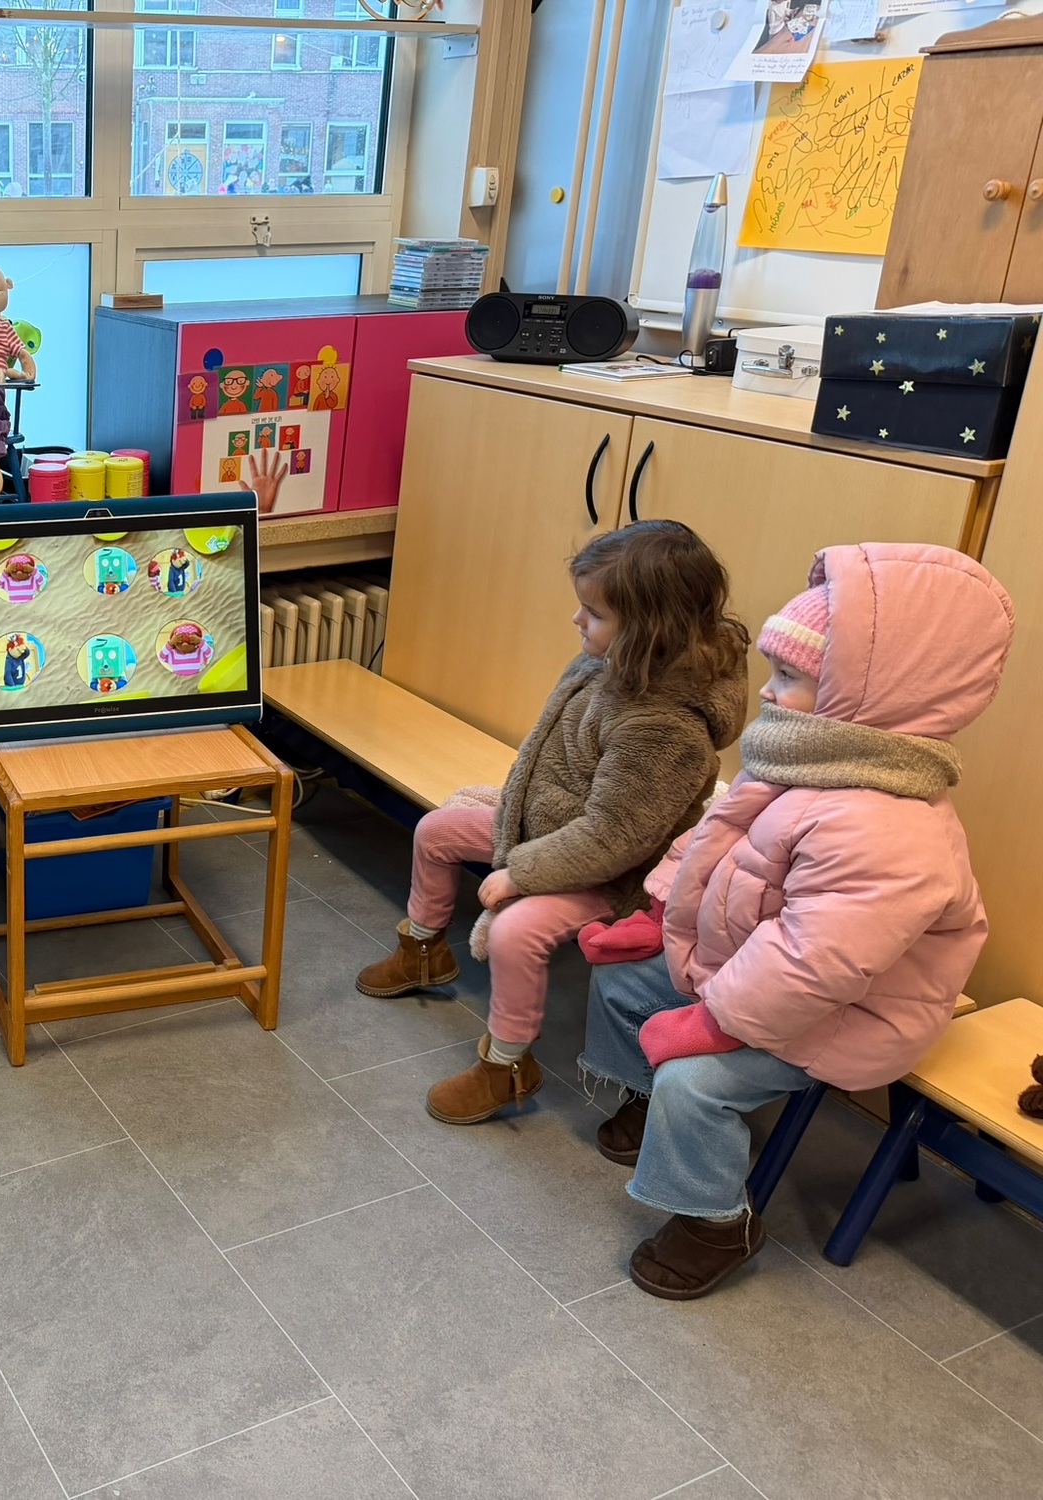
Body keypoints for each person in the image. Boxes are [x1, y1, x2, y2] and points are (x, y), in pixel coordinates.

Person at [581, 543, 1012, 1300]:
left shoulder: (890, 829)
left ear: (863, 697)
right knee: (624, 984)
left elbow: (815, 963)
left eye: (788, 676)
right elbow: (713, 840)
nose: (767, 691)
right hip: (753, 973)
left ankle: (716, 1221)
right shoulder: (806, 758)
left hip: (847, 1013)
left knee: (694, 1081)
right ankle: (647, 1101)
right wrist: (661, 911)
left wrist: (713, 1020)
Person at [357, 520, 749, 1124]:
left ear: (649, 629)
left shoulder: (665, 727)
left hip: (614, 874)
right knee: (436, 831)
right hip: (549, 829)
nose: (576, 620)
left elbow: (614, 838)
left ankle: (506, 1066)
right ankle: (423, 952)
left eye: (594, 613)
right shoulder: (612, 660)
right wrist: (519, 826)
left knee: (516, 932)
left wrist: (520, 874)